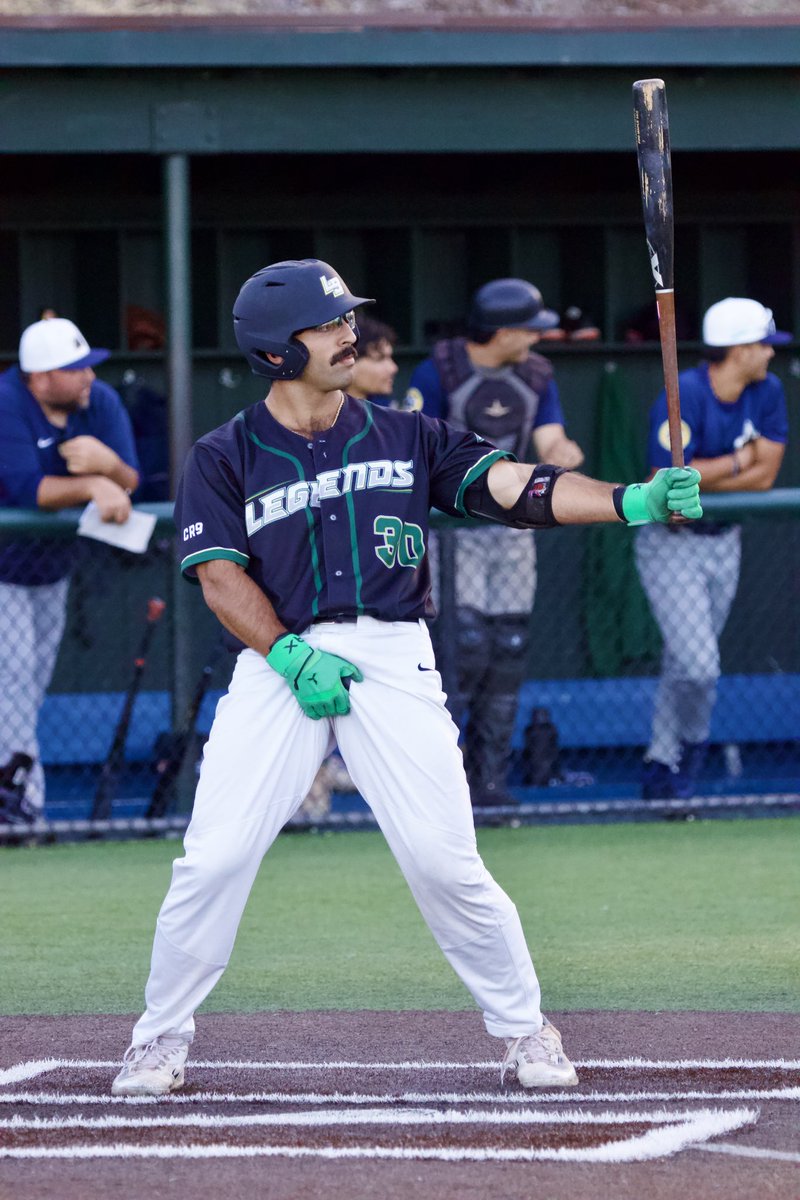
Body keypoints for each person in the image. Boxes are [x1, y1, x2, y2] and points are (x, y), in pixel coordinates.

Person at [110, 257, 702, 1099]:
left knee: (442, 860)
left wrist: (629, 502)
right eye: (329, 323)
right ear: (279, 349)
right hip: (280, 658)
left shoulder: (404, 432)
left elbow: (512, 486)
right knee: (214, 859)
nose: (349, 333)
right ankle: (158, 1039)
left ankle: (526, 1030)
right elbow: (217, 574)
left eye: (349, 317)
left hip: (393, 652)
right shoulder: (225, 452)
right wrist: (285, 654)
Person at [403, 278, 585, 807]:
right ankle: (446, 781)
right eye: (529, 330)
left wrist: (564, 453)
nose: (536, 340)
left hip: (512, 525)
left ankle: (489, 782)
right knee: (463, 650)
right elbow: (418, 444)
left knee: (507, 649)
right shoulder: (438, 369)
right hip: (453, 525)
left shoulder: (535, 374)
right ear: (502, 330)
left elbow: (550, 437)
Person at [635, 297, 790, 801]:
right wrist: (740, 460)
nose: (770, 353)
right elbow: (662, 482)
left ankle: (663, 765)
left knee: (686, 662)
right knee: (700, 664)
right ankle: (693, 747)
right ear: (740, 349)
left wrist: (705, 471)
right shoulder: (686, 394)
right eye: (763, 344)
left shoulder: (768, 391)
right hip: (672, 543)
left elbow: (767, 477)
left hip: (726, 540)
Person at [0, 317, 140, 813]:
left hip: (51, 569)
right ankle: (21, 801)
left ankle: (13, 792)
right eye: (74, 368)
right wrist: (90, 485)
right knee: (12, 680)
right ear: (40, 378)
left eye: (87, 366)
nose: (87, 376)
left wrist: (105, 465)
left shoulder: (97, 401)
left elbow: (129, 480)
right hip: (2, 570)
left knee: (30, 683)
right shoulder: (9, 402)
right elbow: (26, 490)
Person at [299, 312, 401, 819]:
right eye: (378, 356)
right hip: (301, 612)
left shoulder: (397, 428)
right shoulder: (263, 437)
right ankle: (313, 774)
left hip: (382, 591)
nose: (353, 346)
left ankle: (343, 762)